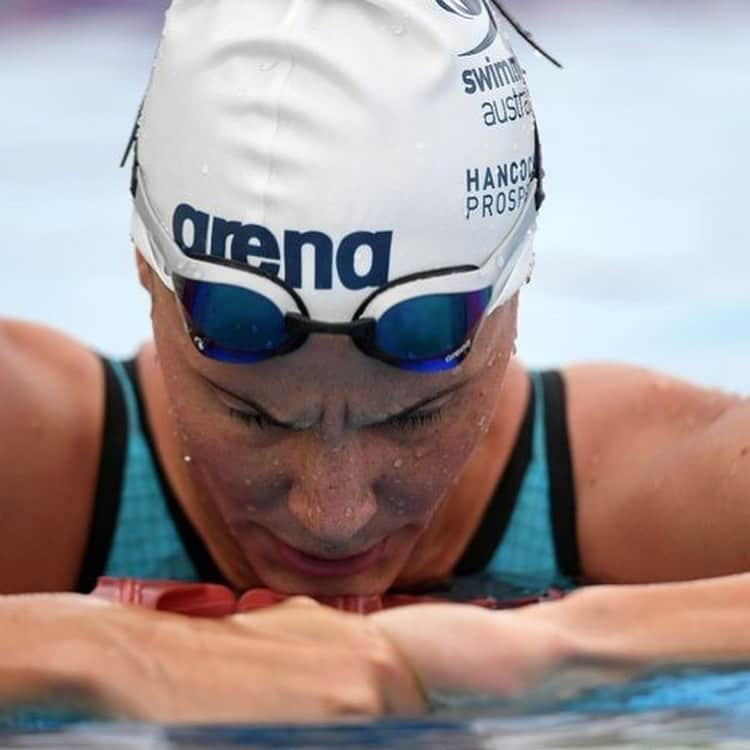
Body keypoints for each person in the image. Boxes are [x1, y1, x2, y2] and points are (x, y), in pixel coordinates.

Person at [1, 0, 749, 725]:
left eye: (417, 415)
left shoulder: (621, 489)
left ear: (516, 292)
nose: (333, 516)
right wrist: (121, 653)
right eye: (250, 414)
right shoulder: (38, 456)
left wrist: (555, 642)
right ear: (143, 268)